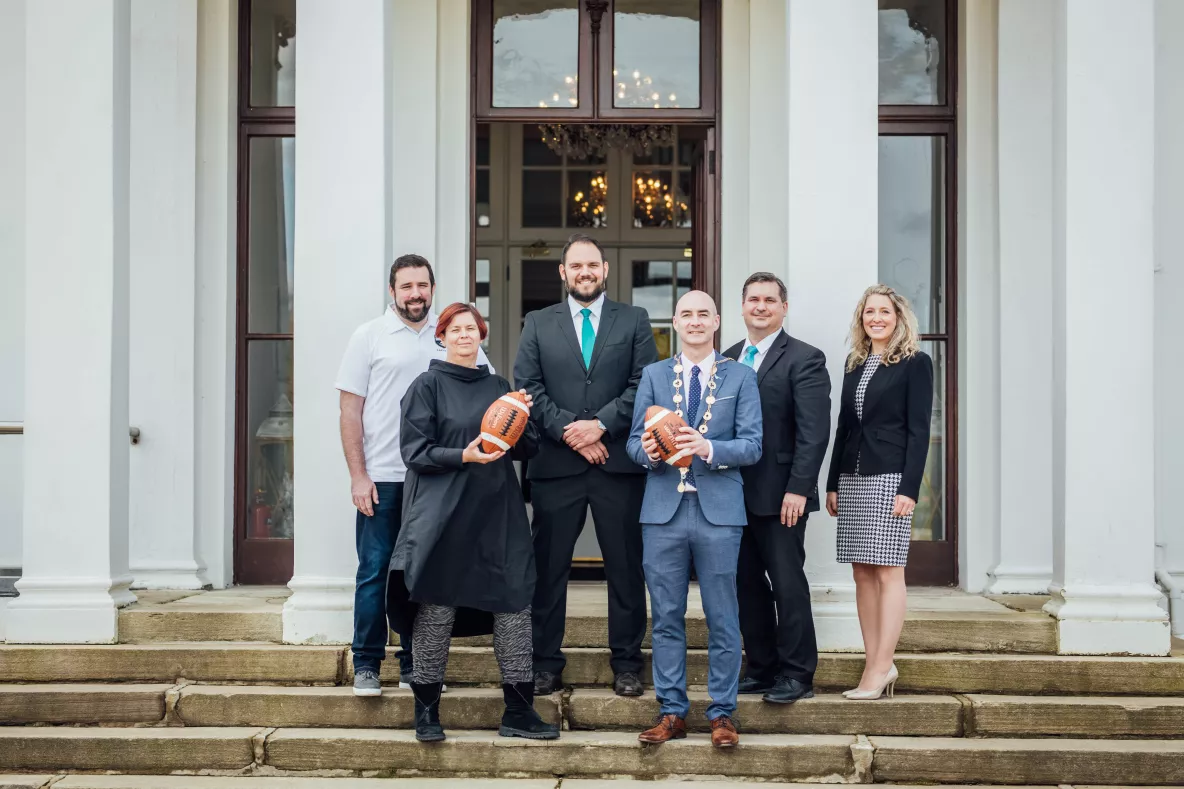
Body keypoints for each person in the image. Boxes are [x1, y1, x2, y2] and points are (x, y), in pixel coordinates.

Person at [388, 302, 559, 743]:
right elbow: (415, 453)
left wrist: (524, 414)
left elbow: (526, 449)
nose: (466, 335)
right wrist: (463, 454)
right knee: (437, 608)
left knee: (514, 607)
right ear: (441, 336)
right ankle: (426, 713)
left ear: (481, 336)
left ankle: (519, 713)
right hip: (444, 513)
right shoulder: (426, 386)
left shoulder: (499, 387)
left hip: (497, 513)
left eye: (473, 328)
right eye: (456, 329)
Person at [335, 254, 493, 697]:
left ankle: (413, 664)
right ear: (393, 291)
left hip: (437, 479)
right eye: (407, 286)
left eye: (422, 285)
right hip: (384, 477)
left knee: (422, 575)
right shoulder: (369, 337)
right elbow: (350, 411)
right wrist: (358, 476)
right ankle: (366, 663)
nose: (415, 294)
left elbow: (491, 397)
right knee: (375, 571)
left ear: (432, 288)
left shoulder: (451, 338)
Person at [514, 233, 659, 698]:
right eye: (576, 265)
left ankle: (627, 664)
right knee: (549, 569)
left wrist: (600, 426)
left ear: (605, 270)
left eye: (592, 265)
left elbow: (644, 384)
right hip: (557, 467)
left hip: (617, 465)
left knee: (625, 568)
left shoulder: (633, 320)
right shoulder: (537, 323)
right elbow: (528, 387)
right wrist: (572, 433)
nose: (585, 272)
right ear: (563, 272)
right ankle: (544, 662)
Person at [627, 290, 763, 748]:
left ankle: (722, 713)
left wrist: (709, 448)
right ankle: (671, 712)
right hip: (662, 512)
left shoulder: (741, 376)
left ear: (717, 321)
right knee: (666, 616)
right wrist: (646, 452)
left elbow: (752, 445)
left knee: (723, 616)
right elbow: (631, 441)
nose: (695, 321)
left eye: (703, 314)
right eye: (687, 314)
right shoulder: (653, 375)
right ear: (675, 323)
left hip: (720, 512)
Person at [723, 273, 831, 705]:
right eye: (753, 299)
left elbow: (813, 432)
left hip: (783, 494)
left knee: (787, 584)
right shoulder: (727, 359)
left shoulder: (805, 358)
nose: (761, 307)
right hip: (731, 494)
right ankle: (762, 667)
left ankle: (797, 673)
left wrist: (799, 489)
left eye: (770, 300)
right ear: (743, 307)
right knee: (745, 584)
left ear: (784, 308)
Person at [825, 285, 933, 701]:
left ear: (898, 317)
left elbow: (919, 431)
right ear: (862, 319)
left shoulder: (915, 364)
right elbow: (844, 427)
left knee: (888, 571)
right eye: (869, 311)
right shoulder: (854, 363)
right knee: (861, 571)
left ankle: (882, 664)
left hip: (890, 478)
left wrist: (910, 488)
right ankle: (876, 663)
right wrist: (833, 482)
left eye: (884, 311)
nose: (876, 318)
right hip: (853, 477)